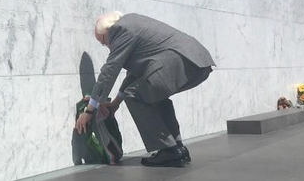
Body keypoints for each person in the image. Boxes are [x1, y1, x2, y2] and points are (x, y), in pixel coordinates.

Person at [74, 11, 214, 167]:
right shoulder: (132, 24)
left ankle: (168, 149)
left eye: (103, 41)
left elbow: (109, 71)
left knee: (133, 94)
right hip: (197, 61)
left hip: (180, 61)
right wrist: (115, 103)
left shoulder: (120, 30)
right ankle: (177, 148)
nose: (106, 46)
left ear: (107, 31)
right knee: (153, 94)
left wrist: (90, 110)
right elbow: (135, 74)